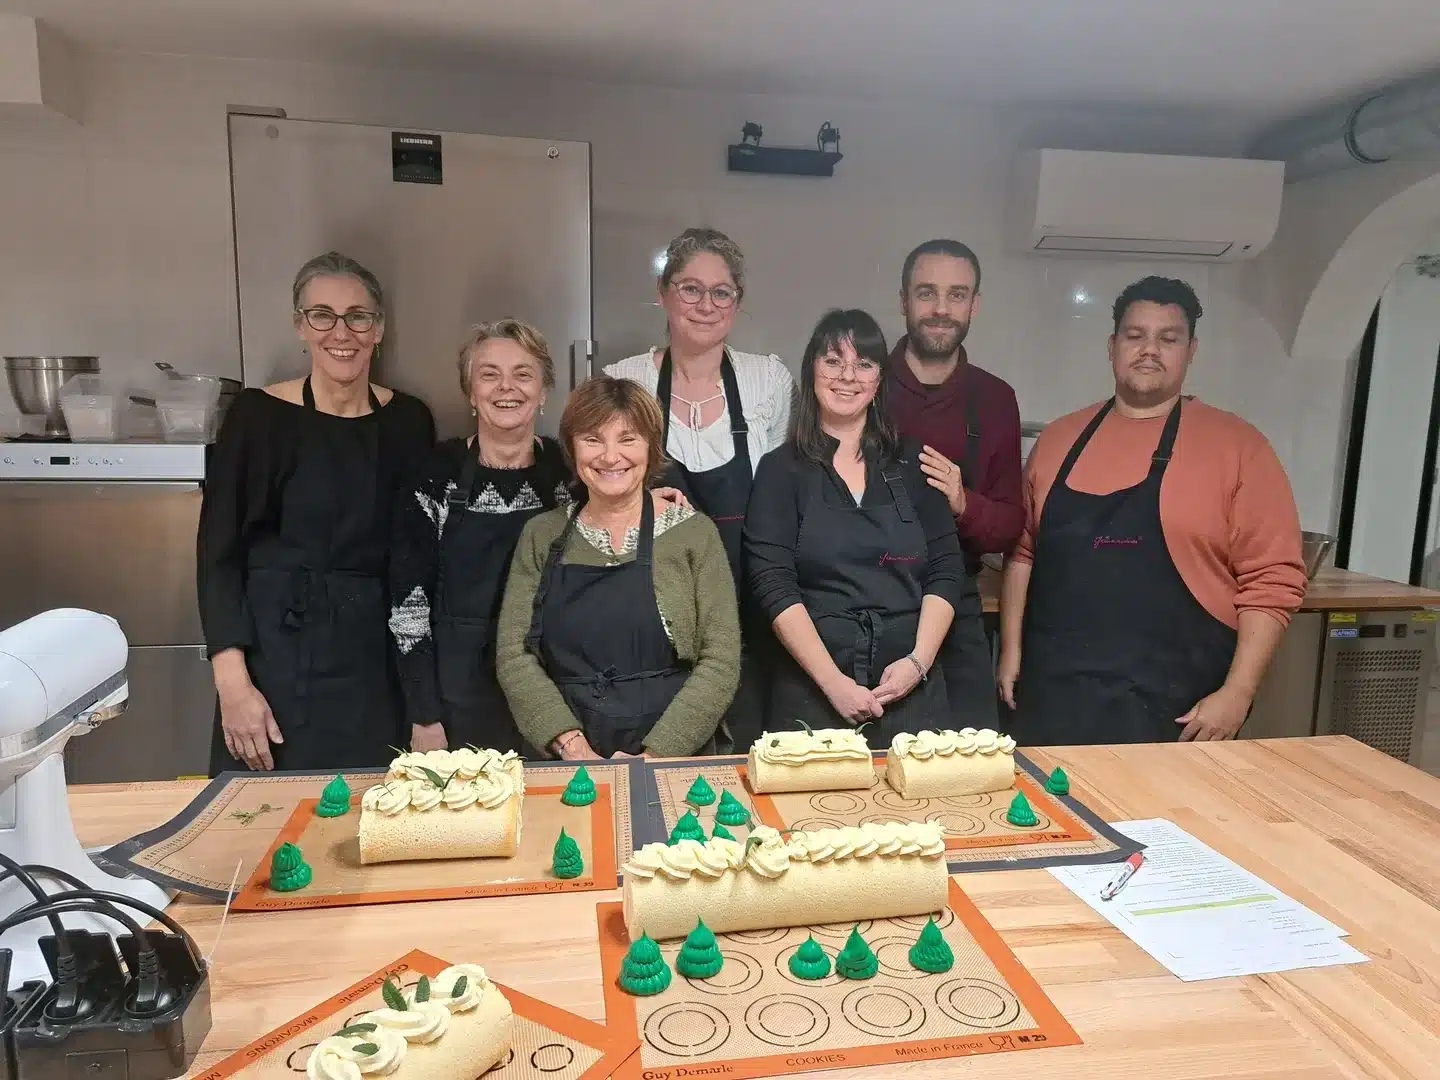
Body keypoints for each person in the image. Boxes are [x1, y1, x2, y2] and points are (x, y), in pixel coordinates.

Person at [998, 276, 1307, 744]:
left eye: (1169, 338)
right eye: (1135, 335)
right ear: (1112, 346)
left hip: (1178, 710)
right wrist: (1011, 653)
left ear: (1191, 350)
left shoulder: (1239, 447)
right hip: (1053, 698)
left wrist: (1238, 693)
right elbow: (1023, 554)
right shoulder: (1058, 440)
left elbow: (1272, 582)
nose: (1149, 350)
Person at [198, 251, 435, 773]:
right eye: (322, 315)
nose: (341, 332)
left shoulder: (409, 422)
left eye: (358, 316)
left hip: (375, 666)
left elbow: (416, 560)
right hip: (274, 663)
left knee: (369, 809)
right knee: (264, 815)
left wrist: (423, 701)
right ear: (300, 326)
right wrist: (233, 685)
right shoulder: (257, 416)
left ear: (378, 329)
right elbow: (218, 556)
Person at [745, 309, 982, 737]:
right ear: (812, 370)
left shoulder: (915, 462)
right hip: (813, 690)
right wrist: (833, 684)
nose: (847, 377)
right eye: (833, 361)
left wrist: (918, 662)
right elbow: (773, 583)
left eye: (864, 364)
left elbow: (947, 569)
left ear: (879, 380)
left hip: (910, 688)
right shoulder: (779, 470)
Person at [606, 227, 795, 748]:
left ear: (737, 301)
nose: (706, 305)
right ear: (663, 293)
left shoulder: (768, 381)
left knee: (747, 754)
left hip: (749, 603)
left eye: (721, 292)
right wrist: (636, 500)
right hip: (652, 607)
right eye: (690, 288)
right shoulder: (624, 380)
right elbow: (593, 491)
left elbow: (786, 493)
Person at [495, 376, 740, 758]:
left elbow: (721, 661)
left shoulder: (694, 534)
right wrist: (574, 748)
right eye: (593, 439)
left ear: (651, 447)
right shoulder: (541, 535)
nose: (610, 457)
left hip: (676, 754)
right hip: (568, 756)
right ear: (572, 448)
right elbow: (514, 656)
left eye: (628, 439)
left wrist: (655, 756)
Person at [388, 319, 570, 755]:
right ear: (471, 392)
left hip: (556, 701)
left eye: (523, 374)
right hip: (458, 705)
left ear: (544, 391)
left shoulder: (569, 473)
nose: (507, 387)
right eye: (490, 375)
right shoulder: (434, 475)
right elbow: (409, 606)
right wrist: (424, 714)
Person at [885, 239, 1022, 724]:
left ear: (974, 305)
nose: (941, 309)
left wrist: (965, 503)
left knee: (973, 750)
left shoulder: (996, 399)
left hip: (957, 604)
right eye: (927, 293)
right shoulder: (862, 385)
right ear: (904, 300)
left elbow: (1009, 527)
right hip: (868, 601)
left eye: (957, 295)